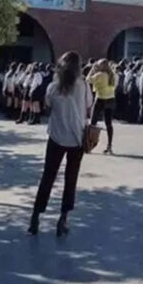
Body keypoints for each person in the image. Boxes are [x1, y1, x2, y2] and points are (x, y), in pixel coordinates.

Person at [29, 51, 92, 237]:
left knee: (48, 177)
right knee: (70, 180)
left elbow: (48, 106)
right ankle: (63, 219)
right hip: (77, 138)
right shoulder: (84, 86)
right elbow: (89, 105)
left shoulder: (53, 86)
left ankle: (35, 216)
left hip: (56, 136)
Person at [87, 59, 117, 154]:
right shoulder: (113, 75)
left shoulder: (100, 75)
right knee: (109, 124)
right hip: (111, 99)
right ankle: (109, 145)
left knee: (93, 122)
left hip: (101, 98)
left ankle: (89, 144)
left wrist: (92, 69)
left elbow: (87, 80)